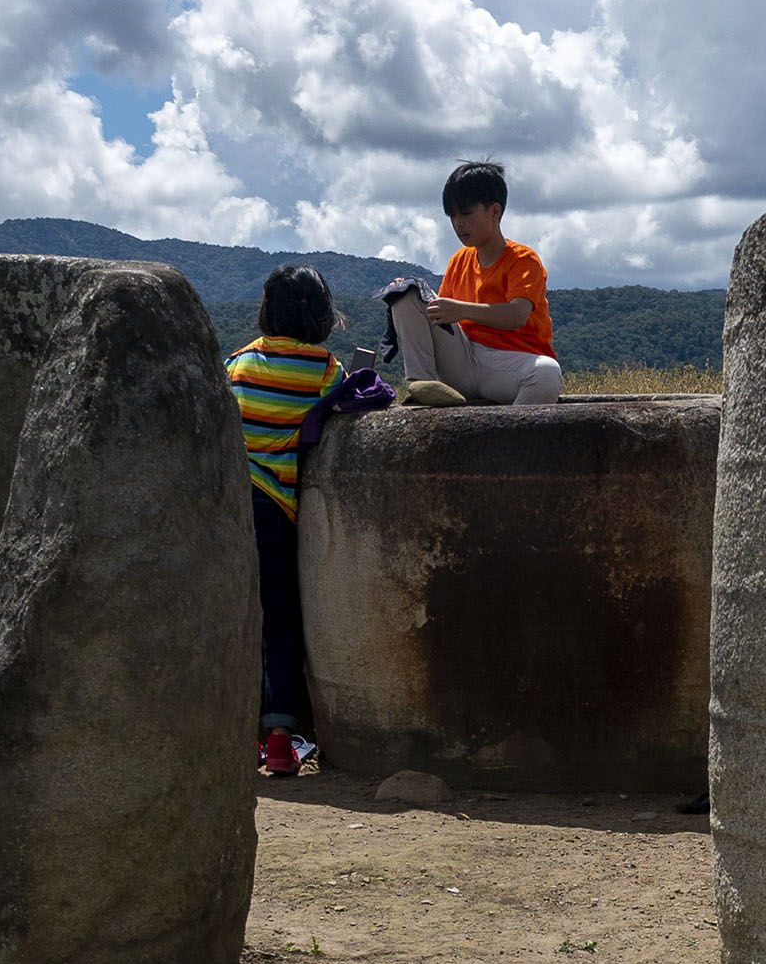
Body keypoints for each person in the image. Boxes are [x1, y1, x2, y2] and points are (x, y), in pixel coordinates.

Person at [229, 265, 339, 777]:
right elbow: (359, 396)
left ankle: (231, 736)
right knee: (279, 620)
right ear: (320, 315)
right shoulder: (323, 369)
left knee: (236, 621)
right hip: (275, 509)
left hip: (227, 507)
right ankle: (278, 740)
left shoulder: (238, 363)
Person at [381, 161, 564, 404]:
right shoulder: (459, 260)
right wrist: (413, 297)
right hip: (462, 359)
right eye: (453, 214)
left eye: (466, 213)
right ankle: (421, 386)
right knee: (406, 292)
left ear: (494, 211)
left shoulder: (523, 260)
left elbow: (517, 315)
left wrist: (460, 310)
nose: (458, 223)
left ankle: (511, 437)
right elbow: (441, 317)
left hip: (510, 364)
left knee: (547, 373)